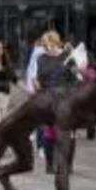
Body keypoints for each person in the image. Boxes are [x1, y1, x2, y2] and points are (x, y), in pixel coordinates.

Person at [34, 30, 72, 173]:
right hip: (48, 98)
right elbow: (39, 78)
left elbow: (74, 77)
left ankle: (67, 164)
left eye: (47, 43)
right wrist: (37, 85)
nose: (45, 47)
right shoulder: (41, 58)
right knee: (49, 132)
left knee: (66, 133)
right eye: (43, 44)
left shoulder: (67, 57)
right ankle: (49, 164)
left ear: (55, 42)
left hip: (64, 98)